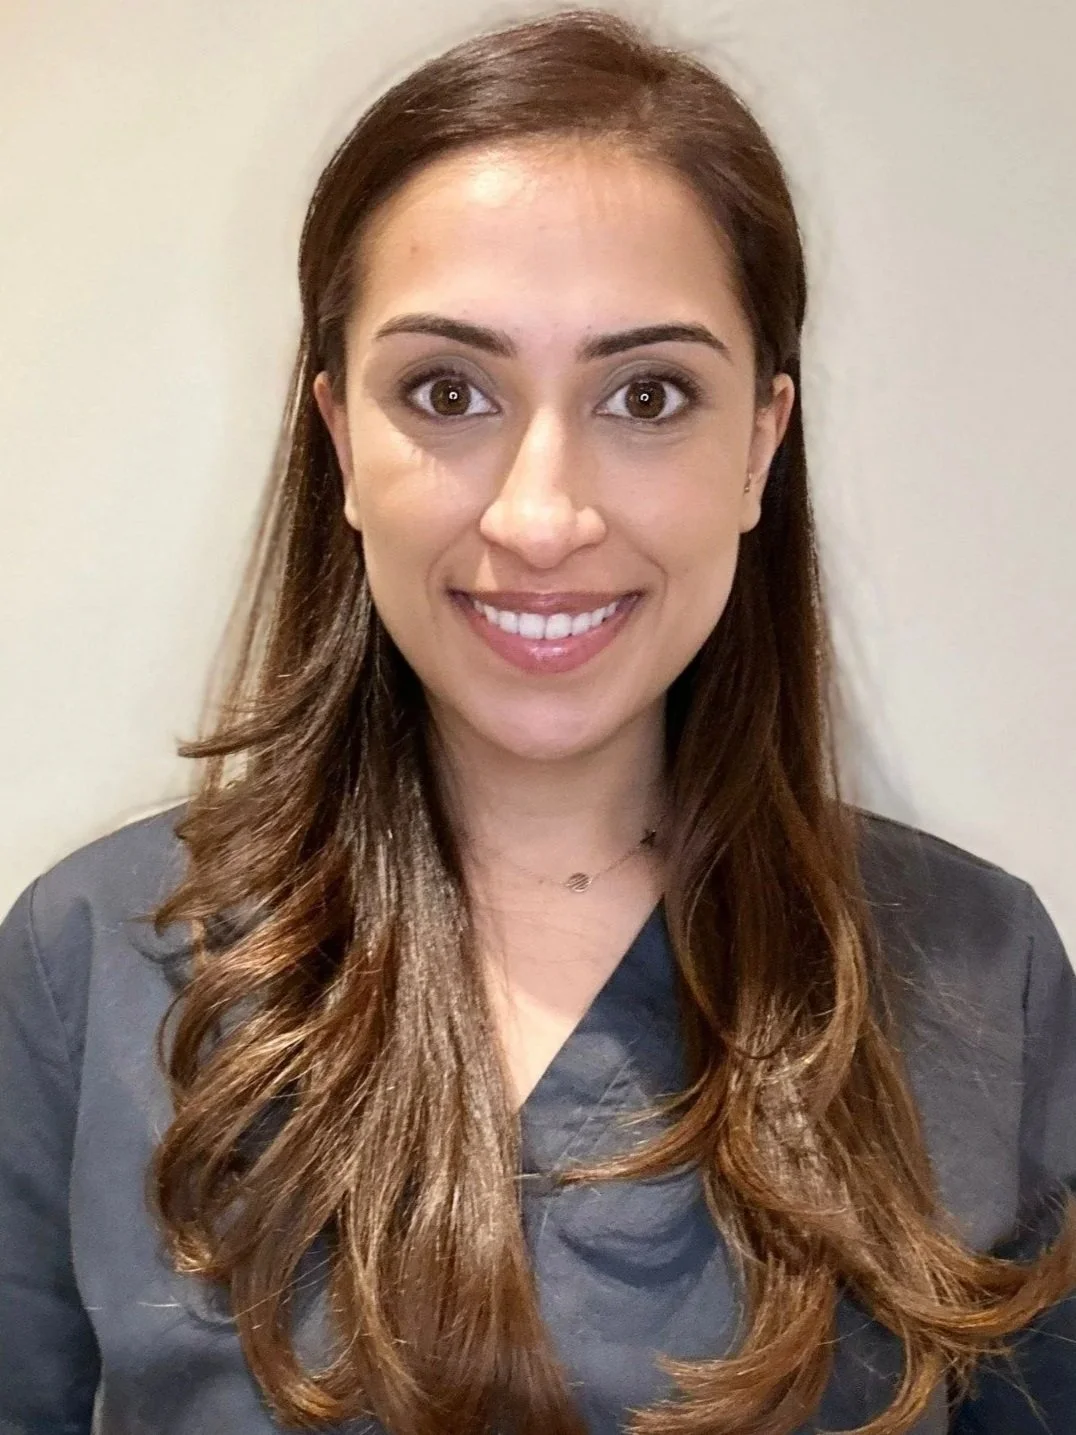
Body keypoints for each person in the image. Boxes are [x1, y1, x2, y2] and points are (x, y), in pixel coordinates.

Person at [1, 8, 1074, 1434]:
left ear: (760, 444)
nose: (542, 516)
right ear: (341, 440)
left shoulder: (978, 972)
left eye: (649, 394)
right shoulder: (94, 963)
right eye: (449, 392)